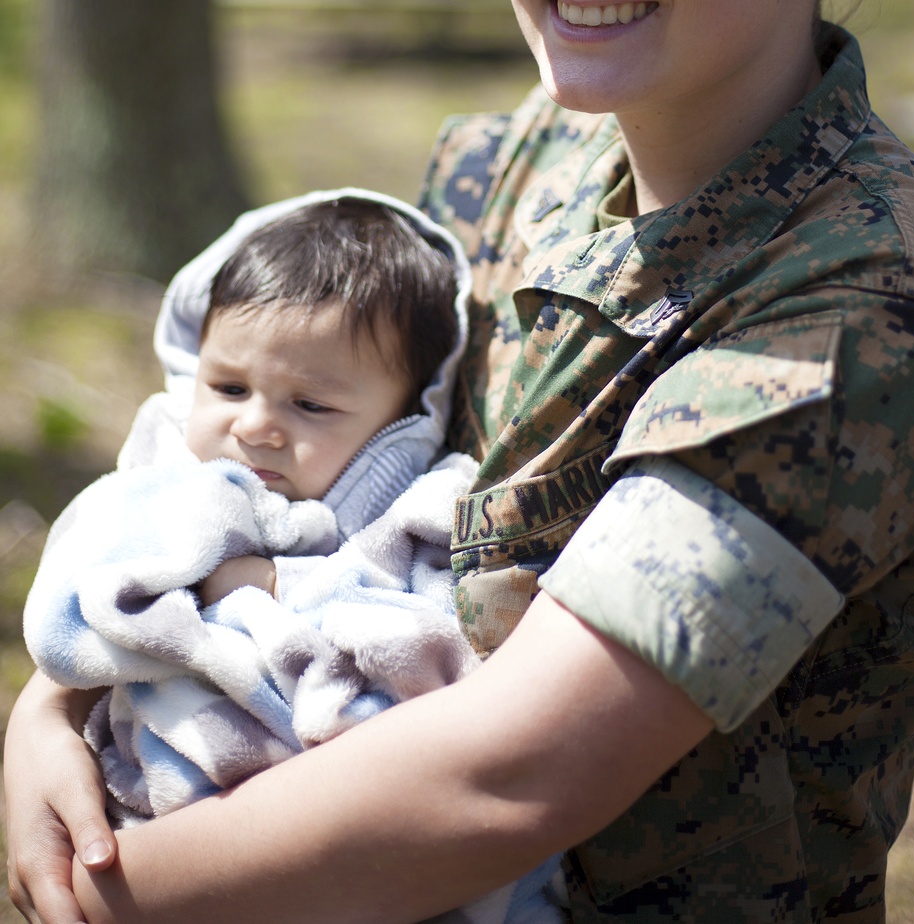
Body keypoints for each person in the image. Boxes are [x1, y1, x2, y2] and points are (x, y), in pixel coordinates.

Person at [6, 0, 914, 924]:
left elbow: (512, 779)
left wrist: (92, 891)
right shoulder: (515, 157)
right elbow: (281, 448)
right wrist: (57, 701)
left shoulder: (863, 306)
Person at [21, 190, 565, 924]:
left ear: (403, 422)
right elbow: (83, 603)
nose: (255, 426)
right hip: (154, 811)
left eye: (309, 406)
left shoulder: (421, 511)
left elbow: (436, 646)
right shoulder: (164, 483)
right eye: (229, 387)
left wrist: (279, 584)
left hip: (340, 840)